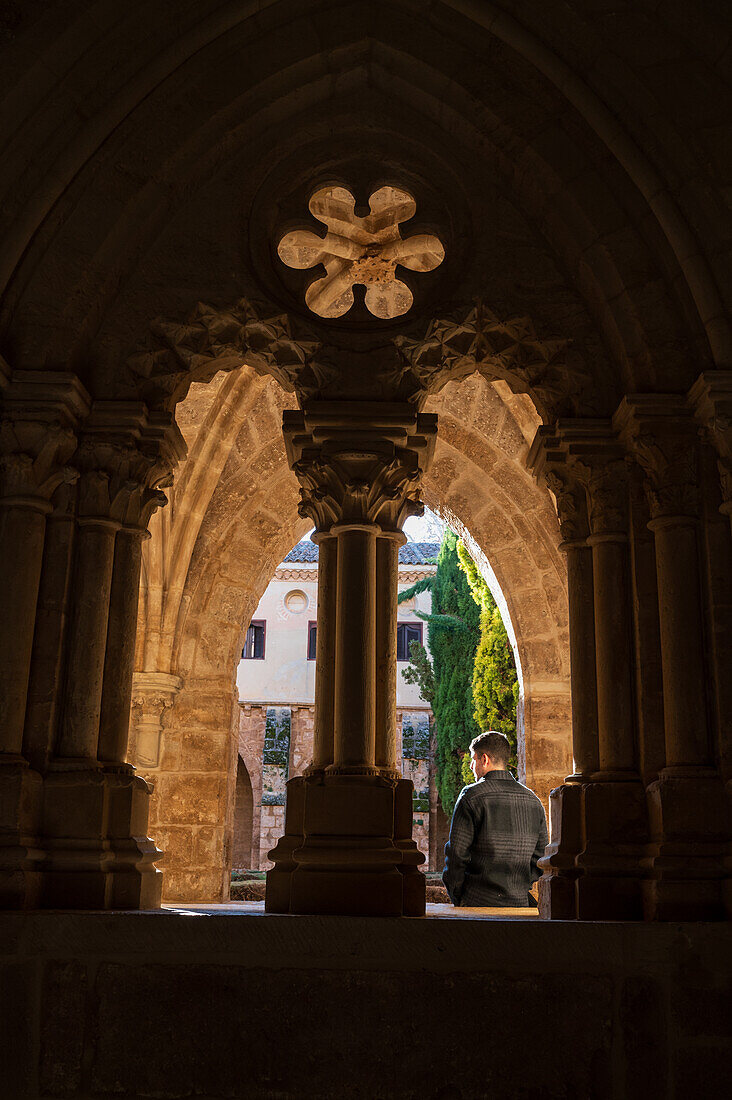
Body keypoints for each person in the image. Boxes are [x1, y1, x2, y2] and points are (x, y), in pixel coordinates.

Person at [442, 730, 548, 908]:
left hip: (477, 902)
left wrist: (458, 895)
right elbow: (540, 857)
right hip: (519, 903)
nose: (470, 766)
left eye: (472, 759)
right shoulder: (533, 800)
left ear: (484, 759)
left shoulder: (471, 796)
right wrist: (517, 887)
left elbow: (456, 855)